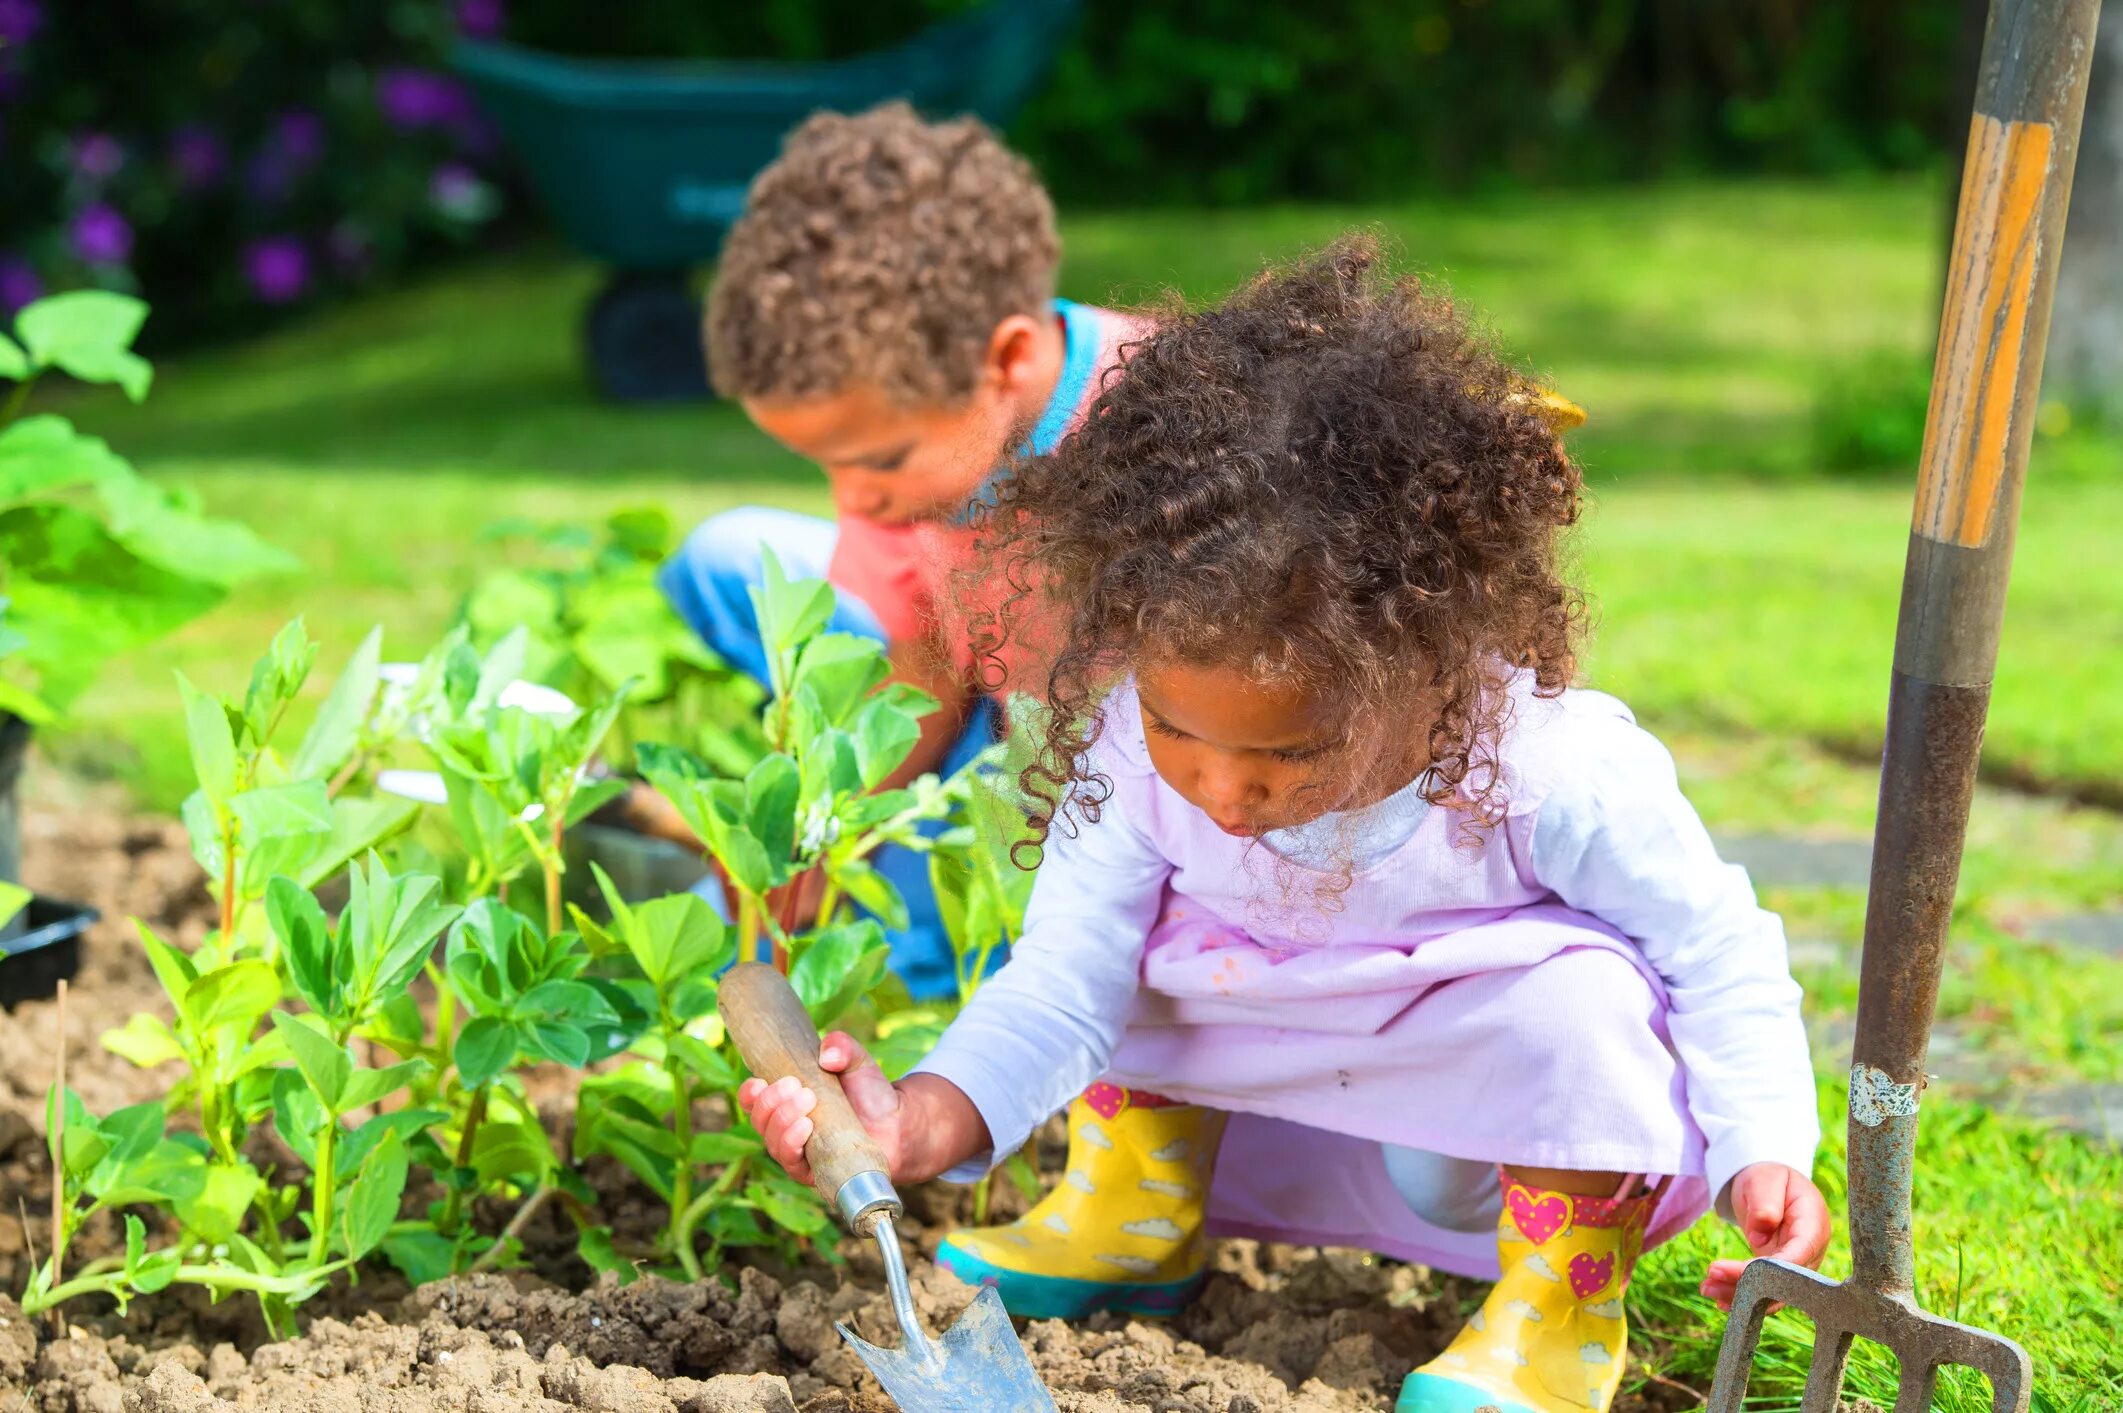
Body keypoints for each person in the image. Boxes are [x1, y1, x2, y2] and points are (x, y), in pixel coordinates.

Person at [737, 236, 1828, 1413]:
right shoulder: (1126, 743)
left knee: (1587, 998)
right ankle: (1135, 1215)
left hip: (1481, 1109)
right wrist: (918, 1121)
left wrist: (1763, 1149)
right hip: (1276, 1054)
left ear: (1427, 661)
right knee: (1135, 948)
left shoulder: (1547, 765)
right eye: (1174, 727)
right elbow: (1058, 986)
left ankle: (1555, 1309)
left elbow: (1713, 953)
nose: (1220, 789)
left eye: (1287, 752)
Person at [646, 102, 1150, 998]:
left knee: (998, 946)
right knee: (733, 560)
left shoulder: (1164, 429)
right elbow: (917, 672)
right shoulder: (935, 448)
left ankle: (942, 978)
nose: (852, 500)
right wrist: (825, 830)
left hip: (1144, 772)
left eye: (874, 459)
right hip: (1008, 715)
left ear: (1005, 358)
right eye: (826, 464)